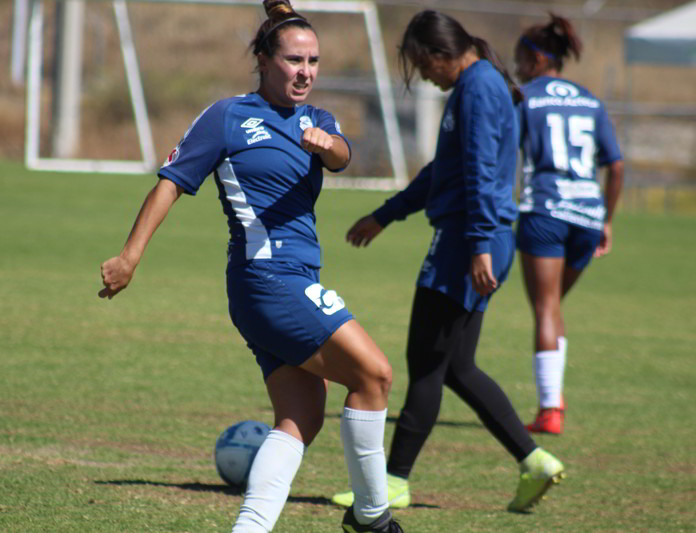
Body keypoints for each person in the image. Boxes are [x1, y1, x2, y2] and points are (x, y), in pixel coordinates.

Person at [99, 1, 403, 532]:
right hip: (268, 281)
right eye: (293, 59)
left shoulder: (318, 119)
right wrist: (130, 256)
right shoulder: (227, 117)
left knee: (302, 417)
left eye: (313, 60)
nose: (305, 71)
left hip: (289, 281)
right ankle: (373, 518)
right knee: (374, 374)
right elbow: (170, 183)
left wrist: (327, 143)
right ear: (263, 59)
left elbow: (341, 155)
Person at [331, 10, 564, 513]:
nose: (426, 78)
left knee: (426, 363)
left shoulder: (478, 88)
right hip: (478, 238)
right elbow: (447, 169)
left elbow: (481, 169)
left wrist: (478, 241)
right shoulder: (478, 84)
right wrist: (387, 214)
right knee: (456, 366)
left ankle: (394, 481)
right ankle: (534, 460)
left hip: (468, 241)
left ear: (441, 54)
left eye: (423, 66)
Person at [514, 14, 624, 435]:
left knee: (544, 307)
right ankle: (553, 399)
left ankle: (549, 410)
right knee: (554, 305)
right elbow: (614, 167)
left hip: (545, 212)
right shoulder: (590, 100)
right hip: (588, 216)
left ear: (540, 58)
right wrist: (608, 221)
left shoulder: (524, 96)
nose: (518, 65)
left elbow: (506, 154)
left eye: (522, 57)